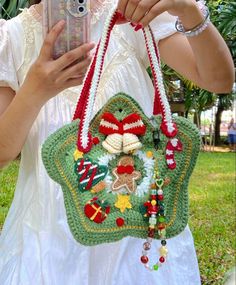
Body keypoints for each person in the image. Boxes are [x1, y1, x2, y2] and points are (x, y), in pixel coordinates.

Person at [0, 0, 234, 284]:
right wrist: (35, 90)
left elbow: (219, 79)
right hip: (48, 234)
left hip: (137, 226)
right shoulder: (11, 37)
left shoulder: (132, 12)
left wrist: (188, 10)